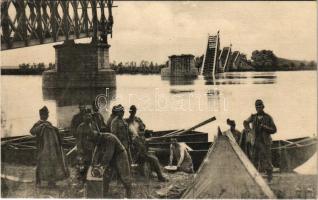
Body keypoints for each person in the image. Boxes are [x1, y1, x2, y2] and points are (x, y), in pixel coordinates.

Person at [30, 106, 69, 187]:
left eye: (47, 114)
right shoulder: (38, 124)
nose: (47, 116)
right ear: (42, 115)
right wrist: (41, 127)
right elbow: (32, 131)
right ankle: (38, 181)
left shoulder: (49, 124)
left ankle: (51, 181)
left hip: (50, 149)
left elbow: (55, 132)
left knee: (51, 164)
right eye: (46, 114)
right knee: (40, 163)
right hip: (41, 147)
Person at [243, 99, 277, 182]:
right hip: (255, 142)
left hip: (265, 143)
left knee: (267, 160)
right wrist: (249, 131)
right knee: (254, 160)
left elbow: (274, 130)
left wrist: (265, 127)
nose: (258, 108)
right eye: (256, 107)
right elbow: (245, 122)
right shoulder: (253, 117)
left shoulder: (268, 117)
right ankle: (255, 179)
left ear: (263, 107)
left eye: (259, 106)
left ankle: (270, 178)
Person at [92, 132, 132, 198]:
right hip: (112, 157)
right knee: (106, 176)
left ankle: (129, 195)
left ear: (99, 136)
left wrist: (101, 165)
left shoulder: (109, 138)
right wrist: (93, 163)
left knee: (124, 176)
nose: (97, 143)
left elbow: (108, 154)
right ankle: (104, 194)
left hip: (120, 155)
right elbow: (96, 152)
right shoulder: (99, 140)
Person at [76, 111, 100, 183]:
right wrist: (80, 150)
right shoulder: (81, 127)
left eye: (89, 116)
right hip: (85, 149)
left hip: (93, 148)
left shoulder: (94, 125)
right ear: (83, 117)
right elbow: (79, 140)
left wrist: (95, 135)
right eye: (86, 116)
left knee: (93, 164)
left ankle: (92, 179)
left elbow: (99, 134)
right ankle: (83, 180)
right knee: (84, 165)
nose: (88, 117)